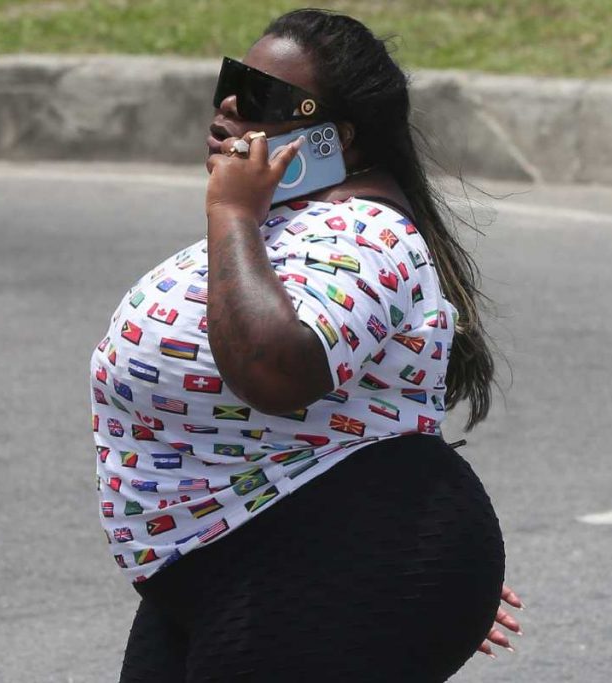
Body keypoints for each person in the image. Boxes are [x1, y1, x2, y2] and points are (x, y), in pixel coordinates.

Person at [90, 8, 524, 681]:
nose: (230, 106)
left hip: (331, 560)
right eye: (232, 81)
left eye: (263, 97)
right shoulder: (291, 226)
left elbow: (274, 371)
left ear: (336, 139)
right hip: (238, 562)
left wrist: (231, 212)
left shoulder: (367, 236)